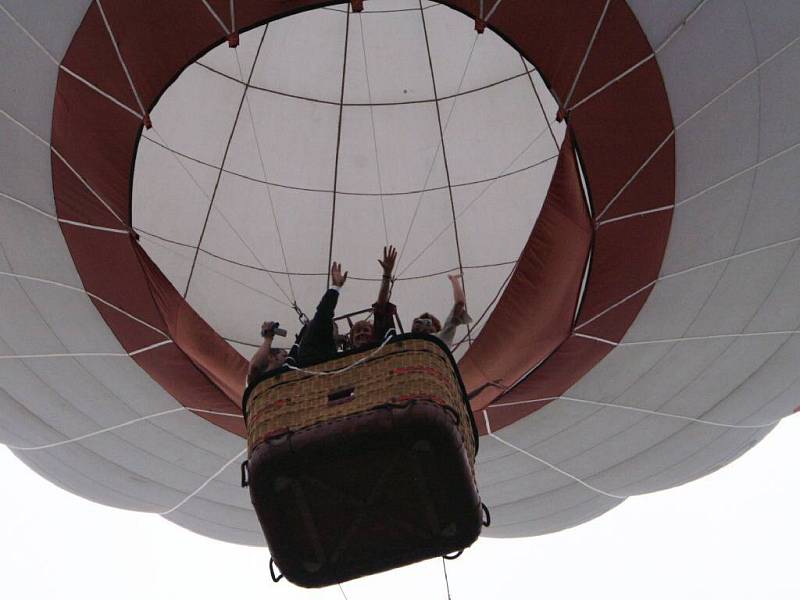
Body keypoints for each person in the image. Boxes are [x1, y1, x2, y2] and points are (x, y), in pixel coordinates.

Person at [288, 261, 348, 366]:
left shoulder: (332, 351)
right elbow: (324, 314)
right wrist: (335, 288)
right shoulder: (315, 341)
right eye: (331, 326)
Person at [349, 245, 398, 349]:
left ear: (374, 334)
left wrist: (387, 274)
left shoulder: (381, 345)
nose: (361, 333)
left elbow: (381, 307)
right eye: (358, 331)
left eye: (366, 330)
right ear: (351, 339)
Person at [412, 273, 472, 347]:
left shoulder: (441, 337)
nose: (423, 326)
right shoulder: (405, 345)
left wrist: (454, 280)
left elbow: (460, 303)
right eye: (420, 322)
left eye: (428, 323)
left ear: (435, 329)